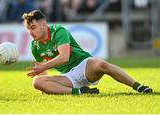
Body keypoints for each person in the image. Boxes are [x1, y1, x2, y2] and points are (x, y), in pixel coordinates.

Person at [22, 10, 153, 95]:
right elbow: (41, 71)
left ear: (44, 25)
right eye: (29, 29)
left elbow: (64, 57)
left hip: (84, 65)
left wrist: (43, 67)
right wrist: (44, 87)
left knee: (102, 65)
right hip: (68, 77)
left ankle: (138, 86)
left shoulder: (58, 31)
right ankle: (80, 91)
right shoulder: (35, 46)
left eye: (33, 27)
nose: (31, 32)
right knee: (37, 82)